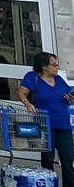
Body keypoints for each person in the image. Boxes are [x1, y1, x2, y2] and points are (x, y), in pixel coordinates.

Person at [19, 52, 74, 185]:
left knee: (68, 161)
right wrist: (28, 104)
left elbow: (68, 94)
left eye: (57, 65)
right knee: (48, 160)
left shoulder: (59, 79)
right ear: (44, 66)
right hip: (46, 125)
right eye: (54, 65)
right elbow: (21, 92)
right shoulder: (33, 77)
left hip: (63, 125)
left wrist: (70, 97)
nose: (56, 67)